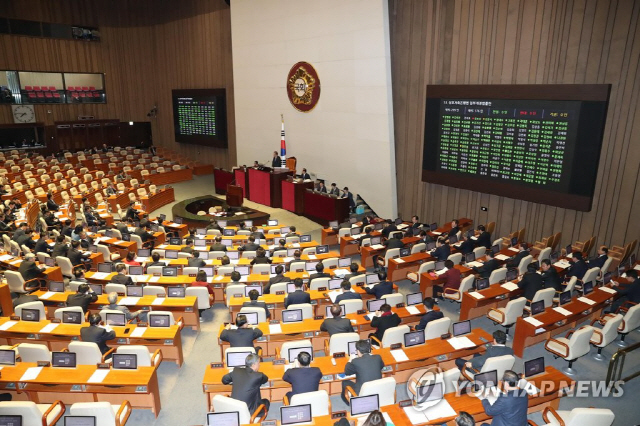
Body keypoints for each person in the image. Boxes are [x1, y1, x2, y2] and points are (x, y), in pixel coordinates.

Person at [341, 339, 384, 404]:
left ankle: (348, 402)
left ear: (358, 351)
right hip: (377, 389)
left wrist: (350, 359)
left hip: (362, 392)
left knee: (345, 382)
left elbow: (347, 372)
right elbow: (381, 366)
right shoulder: (378, 357)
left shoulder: (355, 361)